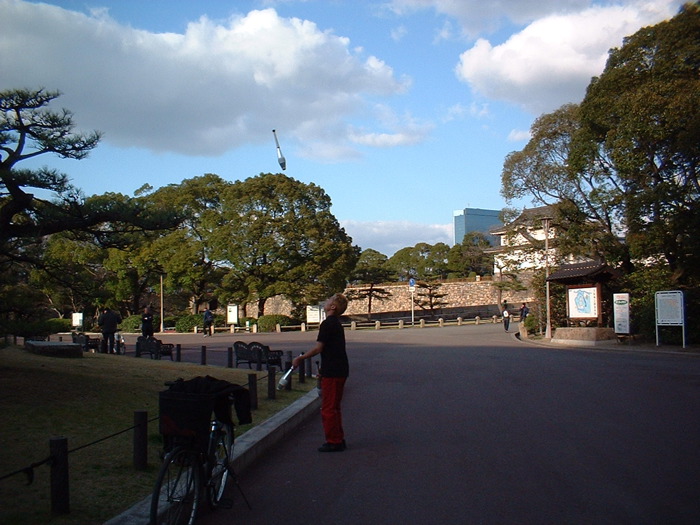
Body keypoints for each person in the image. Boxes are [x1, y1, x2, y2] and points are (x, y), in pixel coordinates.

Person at [292, 293, 349, 452]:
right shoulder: (336, 324)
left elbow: (319, 348)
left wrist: (301, 358)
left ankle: (334, 441)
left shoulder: (327, 324)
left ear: (333, 307)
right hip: (340, 369)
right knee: (335, 407)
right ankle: (338, 438)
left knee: (328, 408)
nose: (326, 302)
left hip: (333, 371)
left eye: (329, 300)